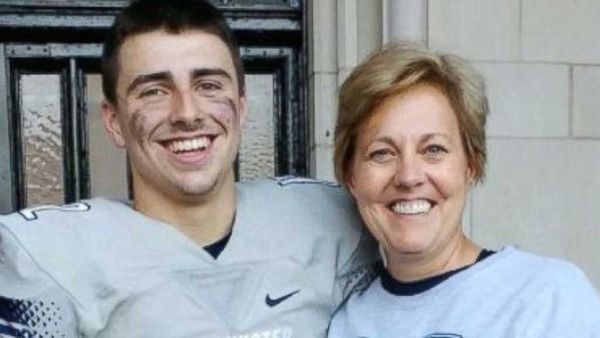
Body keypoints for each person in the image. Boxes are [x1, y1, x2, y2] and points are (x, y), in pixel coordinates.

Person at [0, 0, 375, 337]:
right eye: (154, 91)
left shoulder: (330, 219)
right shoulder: (48, 255)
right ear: (114, 121)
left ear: (242, 107)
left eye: (208, 85)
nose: (187, 113)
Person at [327, 43, 600, 337]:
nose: (408, 176)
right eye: (382, 153)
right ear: (350, 175)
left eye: (433, 149)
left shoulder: (546, 298)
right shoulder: (342, 324)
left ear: (471, 165)